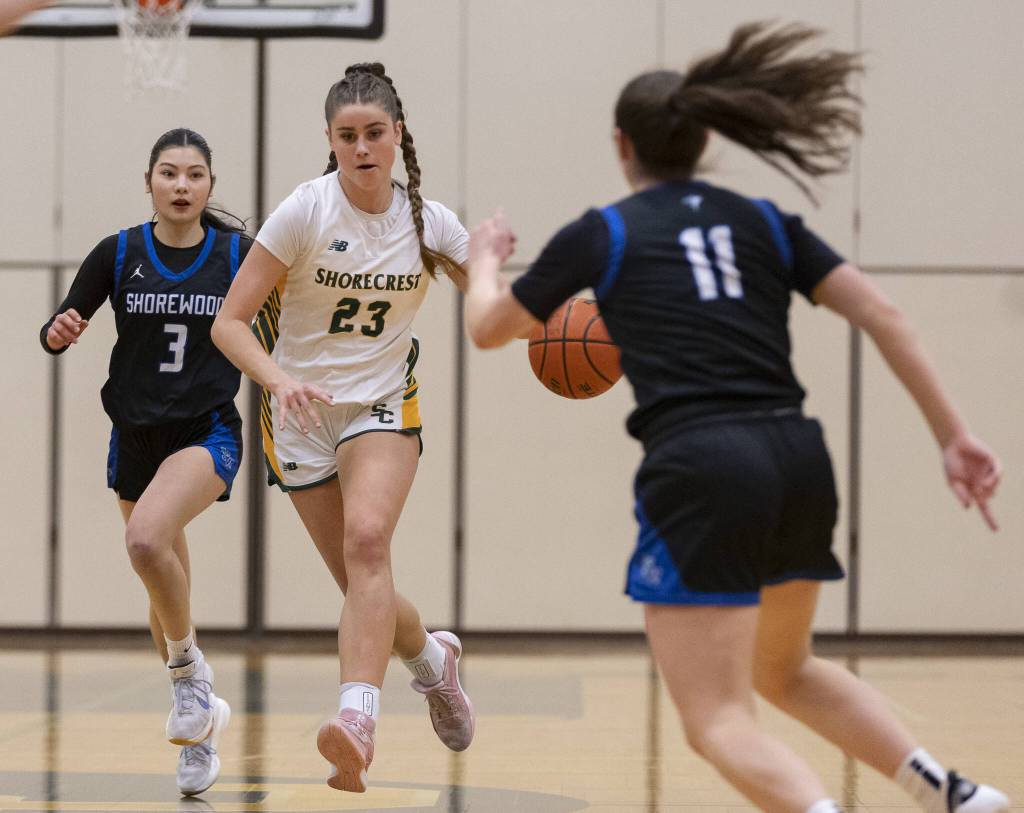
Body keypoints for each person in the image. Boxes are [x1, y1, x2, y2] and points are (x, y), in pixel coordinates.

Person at [464, 21, 1008, 813]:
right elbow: (886, 315)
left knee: (716, 718)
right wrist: (953, 434)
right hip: (797, 456)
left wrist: (484, 259)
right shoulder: (761, 219)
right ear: (705, 138)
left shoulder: (606, 232)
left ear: (623, 146)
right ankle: (949, 789)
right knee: (783, 669)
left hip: (703, 464)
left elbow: (488, 329)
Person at [211, 62, 475, 794]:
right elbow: (229, 325)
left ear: (398, 137)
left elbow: (490, 308)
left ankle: (355, 720)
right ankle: (431, 661)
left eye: (375, 133)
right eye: (347, 135)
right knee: (366, 587)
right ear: (331, 140)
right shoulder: (304, 211)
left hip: (382, 403)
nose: (362, 147)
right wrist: (278, 379)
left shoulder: (430, 223)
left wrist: (508, 283)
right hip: (296, 412)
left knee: (367, 542)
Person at [40, 128, 248, 799]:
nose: (182, 185)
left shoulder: (237, 254)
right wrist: (58, 330)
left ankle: (191, 679)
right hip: (133, 432)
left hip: (206, 427)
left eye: (194, 174)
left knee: (145, 538)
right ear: (150, 182)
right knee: (162, 584)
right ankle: (199, 730)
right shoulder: (119, 252)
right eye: (169, 173)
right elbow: (58, 323)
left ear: (210, 185)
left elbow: (287, 316)